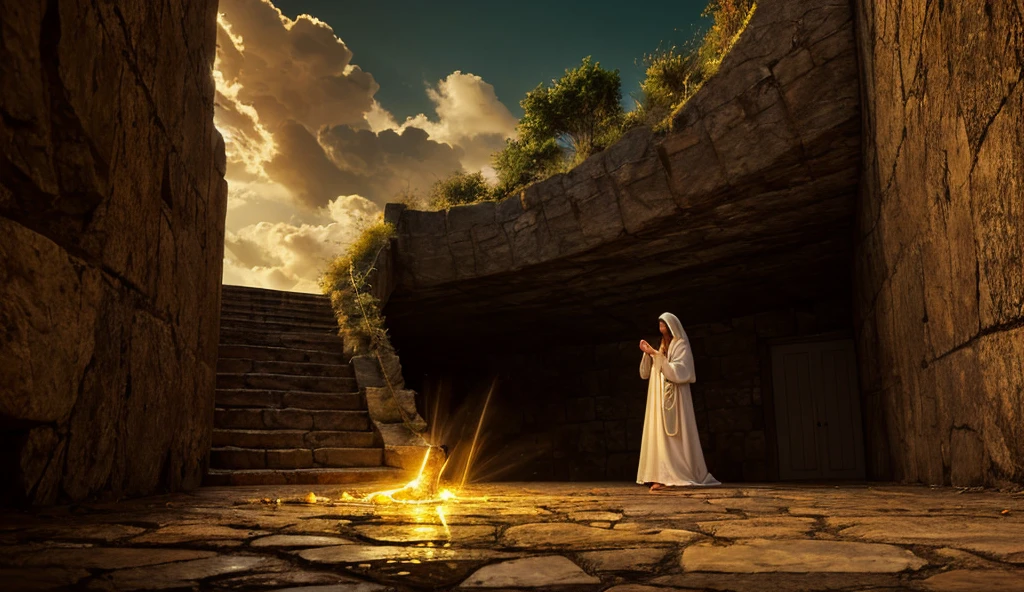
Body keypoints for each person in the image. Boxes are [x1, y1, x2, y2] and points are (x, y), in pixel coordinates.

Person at [637, 312, 720, 491]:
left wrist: (656, 355)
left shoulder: (681, 344)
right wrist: (649, 354)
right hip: (659, 394)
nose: (661, 328)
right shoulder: (662, 344)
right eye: (660, 325)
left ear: (672, 325)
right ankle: (658, 474)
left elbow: (682, 370)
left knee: (674, 435)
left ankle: (673, 473)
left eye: (664, 325)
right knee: (659, 433)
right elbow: (651, 369)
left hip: (675, 395)